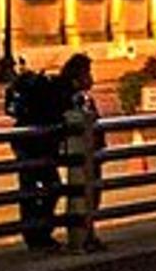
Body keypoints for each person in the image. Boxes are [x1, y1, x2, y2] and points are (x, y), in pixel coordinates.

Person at [5, 53, 93, 250]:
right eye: (88, 73)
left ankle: (36, 234)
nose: (91, 79)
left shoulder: (64, 90)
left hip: (31, 142)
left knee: (36, 190)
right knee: (47, 188)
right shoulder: (61, 92)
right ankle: (37, 236)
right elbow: (58, 120)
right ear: (78, 75)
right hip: (32, 144)